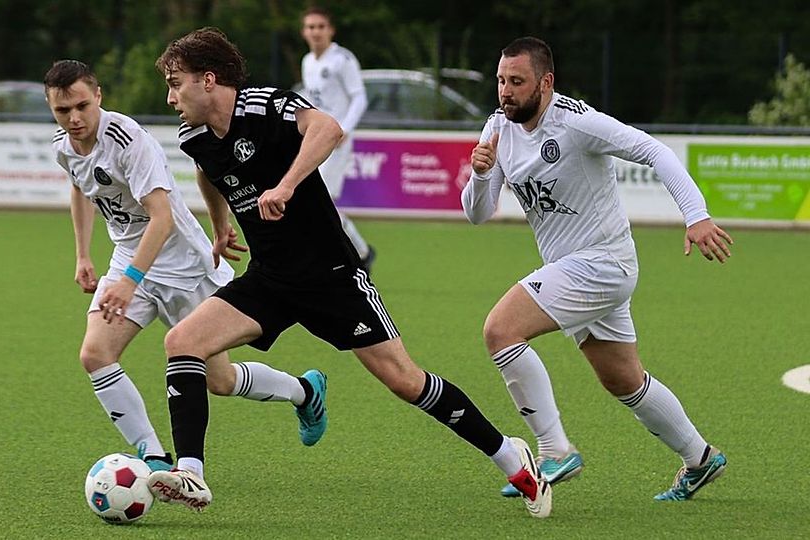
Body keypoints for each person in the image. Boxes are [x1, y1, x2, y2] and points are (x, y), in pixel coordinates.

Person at [143, 27, 551, 518]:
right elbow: (209, 170)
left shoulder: (263, 106)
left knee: (405, 380)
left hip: (331, 276)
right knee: (182, 342)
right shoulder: (193, 136)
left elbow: (329, 129)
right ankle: (191, 473)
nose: (170, 98)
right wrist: (220, 224)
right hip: (270, 278)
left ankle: (512, 458)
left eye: (176, 84)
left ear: (208, 80)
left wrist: (286, 185)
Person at [461, 37, 733, 501]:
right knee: (623, 379)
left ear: (545, 82)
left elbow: (656, 151)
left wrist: (696, 215)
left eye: (517, 81)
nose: (505, 91)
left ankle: (554, 450)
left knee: (500, 331)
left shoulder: (576, 122)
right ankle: (700, 458)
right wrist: (482, 174)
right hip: (574, 268)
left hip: (603, 263)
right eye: (501, 80)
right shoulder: (498, 128)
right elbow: (477, 214)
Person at [45, 59, 327, 475]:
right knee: (95, 354)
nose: (74, 118)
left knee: (220, 381)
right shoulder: (63, 146)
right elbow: (80, 185)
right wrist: (83, 254)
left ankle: (304, 391)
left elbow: (162, 219)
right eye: (62, 110)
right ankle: (153, 456)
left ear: (99, 96)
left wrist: (130, 281)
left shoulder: (127, 140)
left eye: (82, 106)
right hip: (131, 261)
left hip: (184, 267)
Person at [299, 6, 375, 271]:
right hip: (315, 138)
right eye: (311, 27)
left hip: (337, 141)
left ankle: (356, 253)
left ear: (330, 30)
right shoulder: (308, 62)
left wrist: (345, 128)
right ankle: (358, 252)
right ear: (304, 32)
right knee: (315, 203)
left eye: (320, 26)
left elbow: (359, 97)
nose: (315, 32)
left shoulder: (342, 59)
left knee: (320, 202)